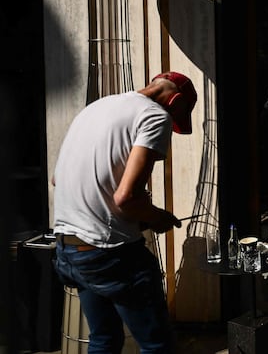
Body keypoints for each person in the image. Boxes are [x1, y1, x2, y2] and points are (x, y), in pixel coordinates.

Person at [52, 71, 197, 353]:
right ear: (176, 100)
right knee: (158, 345)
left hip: (68, 248)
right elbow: (127, 197)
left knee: (104, 340)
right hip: (110, 255)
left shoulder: (96, 107)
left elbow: (58, 179)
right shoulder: (156, 116)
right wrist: (158, 217)